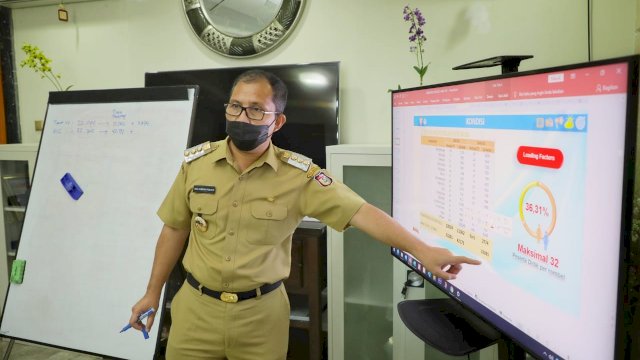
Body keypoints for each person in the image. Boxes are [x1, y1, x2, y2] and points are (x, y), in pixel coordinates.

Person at [129, 69, 480, 359]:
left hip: (261, 316)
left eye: (255, 110)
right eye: (235, 107)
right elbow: (174, 229)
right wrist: (151, 293)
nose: (241, 117)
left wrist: (422, 250)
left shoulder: (299, 176)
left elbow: (361, 212)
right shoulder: (196, 164)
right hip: (195, 310)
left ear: (277, 121)